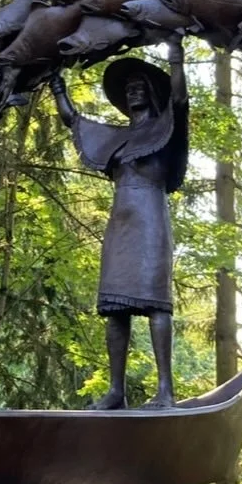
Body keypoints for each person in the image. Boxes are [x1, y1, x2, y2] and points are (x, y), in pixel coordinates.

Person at [49, 40, 189, 408]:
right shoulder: (118, 138)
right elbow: (74, 121)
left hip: (151, 218)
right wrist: (57, 84)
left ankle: (165, 390)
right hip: (120, 224)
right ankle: (116, 390)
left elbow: (180, 101)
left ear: (152, 92)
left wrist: (176, 54)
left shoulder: (167, 127)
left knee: (157, 304)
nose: (133, 91)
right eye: (128, 89)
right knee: (115, 308)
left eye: (139, 86)